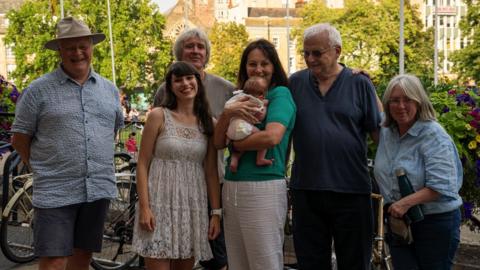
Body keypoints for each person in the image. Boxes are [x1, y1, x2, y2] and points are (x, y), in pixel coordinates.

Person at [11, 17, 124, 270]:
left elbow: (113, 130)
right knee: (54, 260)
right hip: (55, 190)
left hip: (97, 188)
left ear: (92, 47)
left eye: (83, 45)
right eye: (70, 47)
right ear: (60, 50)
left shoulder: (109, 90)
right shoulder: (38, 91)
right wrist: (43, 167)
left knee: (82, 256)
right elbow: (19, 139)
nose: (78, 53)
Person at [289, 23, 382, 270]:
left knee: (355, 264)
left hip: (351, 190)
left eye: (317, 53)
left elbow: (379, 135)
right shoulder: (295, 83)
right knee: (310, 264)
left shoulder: (359, 83)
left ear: (337, 51)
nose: (310, 59)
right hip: (306, 190)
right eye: (305, 53)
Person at [153, 28, 234, 270]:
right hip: (170, 187)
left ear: (207, 53)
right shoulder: (164, 91)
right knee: (170, 250)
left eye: (200, 47)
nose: (196, 50)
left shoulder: (225, 89)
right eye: (189, 46)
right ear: (179, 53)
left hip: (210, 184)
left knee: (216, 256)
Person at [213, 38, 296, 270]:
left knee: (264, 261)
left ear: (274, 66)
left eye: (265, 63)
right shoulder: (238, 97)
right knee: (238, 262)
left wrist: (237, 146)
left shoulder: (279, 95)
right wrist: (228, 113)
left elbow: (271, 137)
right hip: (232, 186)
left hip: (264, 185)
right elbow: (219, 141)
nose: (258, 69)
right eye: (252, 64)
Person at [132, 61, 221, 270]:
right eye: (178, 80)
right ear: (170, 87)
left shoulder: (209, 123)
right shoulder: (158, 116)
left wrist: (216, 213)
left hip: (191, 208)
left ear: (197, 82)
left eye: (189, 78)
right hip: (159, 206)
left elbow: (210, 172)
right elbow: (143, 164)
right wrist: (145, 207)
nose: (185, 83)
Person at [373, 74, 463, 270]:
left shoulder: (434, 136)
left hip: (434, 223)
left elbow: (441, 185)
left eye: (407, 100)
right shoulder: (388, 131)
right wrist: (364, 82)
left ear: (419, 101)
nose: (401, 106)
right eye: (395, 100)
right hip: (400, 222)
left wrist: (404, 203)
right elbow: (378, 109)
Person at [225, 76, 272, 172]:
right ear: (261, 95)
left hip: (231, 130)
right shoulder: (257, 102)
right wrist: (265, 106)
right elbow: (260, 116)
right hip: (243, 127)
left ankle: (234, 160)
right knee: (262, 138)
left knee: (240, 144)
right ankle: (260, 159)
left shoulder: (239, 98)